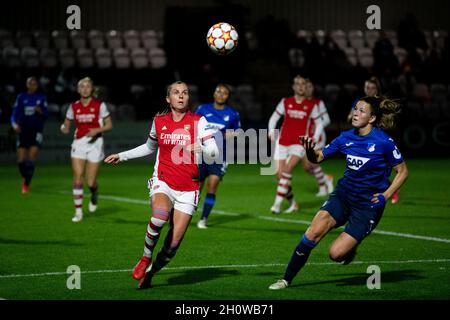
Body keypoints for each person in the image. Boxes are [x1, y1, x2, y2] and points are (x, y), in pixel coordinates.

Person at [269, 95, 408, 290]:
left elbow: (402, 172)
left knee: (336, 254)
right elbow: (318, 157)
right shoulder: (345, 138)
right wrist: (309, 150)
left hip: (367, 206)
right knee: (312, 233)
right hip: (343, 196)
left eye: (361, 110)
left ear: (372, 118)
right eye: (355, 109)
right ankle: (286, 279)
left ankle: (349, 250)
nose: (355, 113)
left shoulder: (383, 141)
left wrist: (385, 196)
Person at [104, 81, 218, 289]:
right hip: (163, 181)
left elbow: (214, 151)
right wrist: (123, 156)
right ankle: (145, 257)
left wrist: (201, 147)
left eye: (184, 93)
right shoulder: (159, 122)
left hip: (189, 189)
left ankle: (151, 273)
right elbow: (149, 147)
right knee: (160, 215)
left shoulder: (198, 121)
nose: (181, 96)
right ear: (168, 98)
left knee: (173, 245)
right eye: (176, 93)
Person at [268, 75, 332, 214]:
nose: (301, 86)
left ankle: (276, 205)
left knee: (287, 170)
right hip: (282, 142)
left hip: (299, 144)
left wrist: (314, 137)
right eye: (298, 83)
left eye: (303, 84)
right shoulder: (285, 101)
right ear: (293, 87)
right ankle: (292, 203)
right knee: (279, 175)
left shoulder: (312, 105)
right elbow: (274, 117)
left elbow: (320, 122)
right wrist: (271, 130)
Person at [60, 77, 113, 222]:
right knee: (78, 175)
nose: (84, 88)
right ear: (78, 89)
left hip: (96, 143)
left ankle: (94, 193)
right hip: (79, 143)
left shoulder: (99, 105)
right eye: (81, 86)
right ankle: (78, 212)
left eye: (87, 86)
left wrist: (97, 130)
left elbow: (109, 125)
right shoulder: (73, 106)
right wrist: (64, 128)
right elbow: (66, 125)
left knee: (90, 182)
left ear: (92, 89)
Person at [195, 84, 241, 229]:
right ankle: (187, 212)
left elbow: (238, 131)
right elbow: (194, 126)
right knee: (196, 187)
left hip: (220, 156)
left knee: (212, 186)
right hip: (202, 153)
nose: (221, 94)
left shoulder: (233, 114)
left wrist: (227, 134)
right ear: (214, 94)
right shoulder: (202, 109)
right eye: (218, 91)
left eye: (225, 93)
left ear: (228, 97)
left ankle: (203, 219)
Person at [10, 77, 49, 193]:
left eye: (34, 83)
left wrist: (40, 111)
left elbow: (46, 115)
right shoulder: (21, 97)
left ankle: (26, 184)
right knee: (21, 160)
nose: (32, 85)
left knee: (31, 159)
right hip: (23, 130)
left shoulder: (41, 98)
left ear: (37, 85)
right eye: (30, 83)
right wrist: (14, 125)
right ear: (27, 85)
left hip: (36, 131)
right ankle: (25, 177)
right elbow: (14, 114)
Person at [304, 79, 334, 197]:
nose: (307, 89)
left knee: (313, 162)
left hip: (317, 136)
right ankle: (327, 178)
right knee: (306, 167)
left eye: (310, 87)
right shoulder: (300, 103)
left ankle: (322, 187)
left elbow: (327, 119)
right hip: (305, 136)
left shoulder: (318, 103)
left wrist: (316, 125)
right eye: (306, 87)